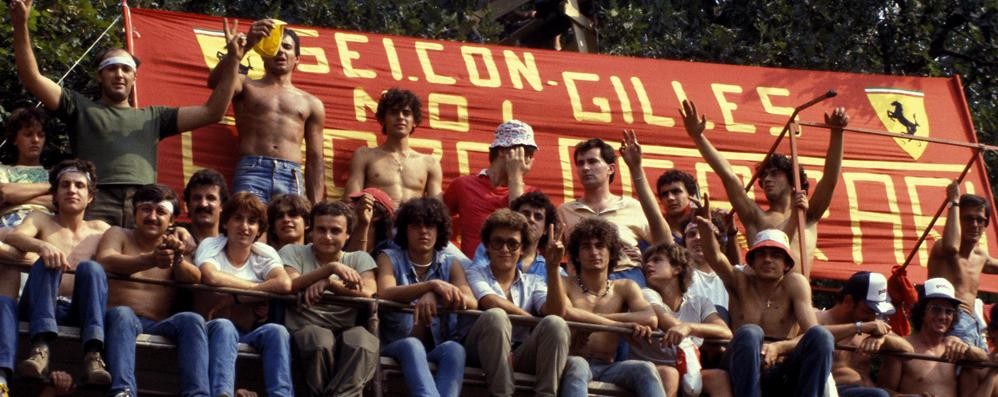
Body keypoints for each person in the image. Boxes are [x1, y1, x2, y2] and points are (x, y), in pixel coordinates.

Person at [11, 0, 244, 227]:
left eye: (126, 69)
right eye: (111, 68)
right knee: (94, 264)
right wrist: (21, 24)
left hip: (144, 203)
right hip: (95, 200)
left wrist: (233, 60)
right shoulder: (79, 107)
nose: (119, 74)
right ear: (100, 76)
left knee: (142, 266)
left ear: (135, 77)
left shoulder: (155, 117)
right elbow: (32, 78)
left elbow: (212, 111)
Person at [681, 99, 848, 275]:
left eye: (774, 174)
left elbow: (829, 180)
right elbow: (728, 177)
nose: (767, 179)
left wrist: (837, 133)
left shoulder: (808, 215)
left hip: (800, 299)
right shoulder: (755, 217)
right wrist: (698, 137)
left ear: (793, 181)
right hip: (763, 299)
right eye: (764, 176)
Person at [695, 195, 834, 397]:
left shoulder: (795, 284)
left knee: (822, 336)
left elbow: (810, 333)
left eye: (776, 255)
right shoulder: (740, 280)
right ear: (751, 261)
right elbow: (714, 257)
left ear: (787, 264)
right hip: (740, 364)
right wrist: (705, 230)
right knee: (751, 332)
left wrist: (779, 347)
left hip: (783, 364)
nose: (768, 260)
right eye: (761, 254)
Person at [95, 184, 210, 397]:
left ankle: (198, 394)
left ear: (172, 220)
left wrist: (177, 260)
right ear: (134, 213)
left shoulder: (176, 243)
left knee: (192, 320)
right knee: (123, 313)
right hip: (117, 320)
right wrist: (149, 260)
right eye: (146, 209)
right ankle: (124, 392)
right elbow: (105, 260)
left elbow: (195, 278)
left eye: (161, 212)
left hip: (158, 324)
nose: (152, 216)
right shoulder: (118, 233)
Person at [6, 160, 111, 385]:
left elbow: (129, 245)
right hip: (38, 307)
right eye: (65, 185)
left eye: (79, 186)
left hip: (78, 311)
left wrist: (180, 231)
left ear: (90, 196)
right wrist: (42, 246)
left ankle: (93, 354)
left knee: (91, 268)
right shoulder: (40, 218)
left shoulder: (101, 229)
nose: (72, 190)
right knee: (47, 261)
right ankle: (40, 349)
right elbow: (14, 236)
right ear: (55, 194)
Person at [208, 19, 325, 204]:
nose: (281, 51)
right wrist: (244, 48)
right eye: (275, 47)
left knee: (289, 231)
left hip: (292, 175)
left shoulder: (311, 103)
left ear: (297, 59)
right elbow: (215, 83)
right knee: (248, 228)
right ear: (263, 55)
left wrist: (316, 206)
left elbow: (316, 158)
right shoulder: (245, 84)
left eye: (287, 47)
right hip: (252, 170)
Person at [463, 209, 572, 396]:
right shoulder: (475, 272)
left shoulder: (534, 282)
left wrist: (553, 268)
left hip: (519, 354)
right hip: (479, 351)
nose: (505, 249)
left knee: (556, 324)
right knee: (496, 316)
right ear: (487, 246)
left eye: (512, 244)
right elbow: (491, 301)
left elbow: (555, 312)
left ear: (522, 249)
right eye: (498, 242)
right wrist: (532, 321)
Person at [195, 192, 294, 396]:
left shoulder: (264, 252)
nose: (245, 227)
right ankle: (223, 393)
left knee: (277, 331)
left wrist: (234, 298)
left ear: (259, 229)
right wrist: (258, 290)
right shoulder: (212, 244)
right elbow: (211, 277)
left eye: (252, 221)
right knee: (225, 326)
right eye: (238, 218)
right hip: (213, 329)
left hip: (248, 331)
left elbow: (284, 284)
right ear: (225, 223)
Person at [376, 197, 474, 397]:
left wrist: (434, 294)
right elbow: (384, 292)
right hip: (397, 343)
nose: (424, 231)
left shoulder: (450, 263)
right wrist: (430, 285)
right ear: (405, 230)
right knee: (413, 345)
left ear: (439, 231)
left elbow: (471, 301)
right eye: (416, 226)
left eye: (430, 226)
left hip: (437, 347)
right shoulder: (388, 257)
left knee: (455, 349)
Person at [559, 217, 666, 397]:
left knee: (645, 369)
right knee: (578, 364)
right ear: (576, 255)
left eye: (600, 245)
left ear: (611, 252)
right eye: (586, 246)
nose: (594, 252)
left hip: (608, 366)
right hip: (571, 361)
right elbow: (567, 313)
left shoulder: (625, 287)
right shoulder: (564, 283)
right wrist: (622, 325)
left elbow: (650, 318)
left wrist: (593, 321)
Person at [280, 201, 379, 396]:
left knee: (363, 341)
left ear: (347, 235)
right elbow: (290, 284)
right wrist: (332, 269)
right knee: (319, 340)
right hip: (305, 329)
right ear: (311, 231)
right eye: (321, 230)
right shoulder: (292, 251)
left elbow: (369, 293)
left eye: (335, 231)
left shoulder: (360, 258)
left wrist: (329, 283)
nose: (327, 236)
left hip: (345, 330)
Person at [559, 137, 663, 286]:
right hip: (582, 284)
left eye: (592, 161)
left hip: (628, 278)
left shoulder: (632, 206)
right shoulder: (564, 210)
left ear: (611, 168)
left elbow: (663, 243)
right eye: (580, 163)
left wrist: (646, 259)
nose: (585, 168)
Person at [633, 242, 733, 397]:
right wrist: (687, 328)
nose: (648, 265)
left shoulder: (700, 302)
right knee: (670, 374)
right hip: (651, 367)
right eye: (647, 261)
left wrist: (690, 328)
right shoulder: (645, 294)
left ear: (677, 268)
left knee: (718, 377)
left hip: (688, 368)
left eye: (657, 260)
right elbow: (666, 321)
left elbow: (725, 332)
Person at [878, 278, 994, 397]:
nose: (942, 316)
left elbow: (983, 358)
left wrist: (967, 349)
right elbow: (884, 391)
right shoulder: (902, 347)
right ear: (922, 312)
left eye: (948, 312)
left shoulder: (954, 347)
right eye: (936, 310)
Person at [444, 120, 537, 257]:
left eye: (531, 153)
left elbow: (521, 230)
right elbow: (434, 222)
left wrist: (515, 176)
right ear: (502, 150)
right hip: (469, 271)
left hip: (512, 270)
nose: (528, 158)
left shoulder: (532, 194)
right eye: (524, 151)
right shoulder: (463, 185)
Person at [816, 271, 913, 397]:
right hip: (832, 392)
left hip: (870, 390)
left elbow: (909, 352)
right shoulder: (818, 319)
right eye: (868, 310)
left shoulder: (872, 325)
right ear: (849, 301)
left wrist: (883, 339)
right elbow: (813, 335)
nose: (873, 316)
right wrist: (858, 327)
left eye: (876, 312)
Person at [928, 181, 998, 350]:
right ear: (957, 221)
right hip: (948, 319)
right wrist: (954, 201)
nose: (975, 225)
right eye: (968, 219)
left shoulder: (981, 256)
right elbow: (952, 247)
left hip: (973, 323)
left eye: (980, 220)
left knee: (985, 369)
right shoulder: (942, 248)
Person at [345, 88, 441, 206]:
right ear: (383, 120)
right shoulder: (364, 155)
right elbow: (350, 202)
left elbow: (437, 210)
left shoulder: (430, 163)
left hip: (413, 223)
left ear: (414, 121)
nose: (400, 117)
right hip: (376, 222)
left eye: (406, 113)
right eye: (394, 112)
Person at [469, 191, 564, 279]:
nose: (531, 219)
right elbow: (475, 278)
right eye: (526, 214)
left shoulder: (551, 268)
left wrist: (553, 268)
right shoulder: (490, 248)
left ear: (546, 229)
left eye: (538, 217)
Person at [0, 107, 54, 228]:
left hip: (47, 228)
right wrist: (50, 187)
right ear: (14, 139)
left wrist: (12, 201)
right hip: (8, 228)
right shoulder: (3, 170)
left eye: (41, 135)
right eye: (28, 134)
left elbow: (57, 202)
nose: (35, 140)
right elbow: (4, 193)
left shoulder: (53, 174)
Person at [182, 168, 229, 244]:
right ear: (188, 205)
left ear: (222, 205)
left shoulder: (231, 247)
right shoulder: (174, 241)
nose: (203, 204)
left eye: (210, 198)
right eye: (197, 198)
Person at [344, 187, 394, 254]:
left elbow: (355, 262)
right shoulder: (340, 238)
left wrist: (363, 223)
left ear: (377, 215)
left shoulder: (388, 252)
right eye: (352, 201)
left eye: (359, 203)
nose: (349, 205)